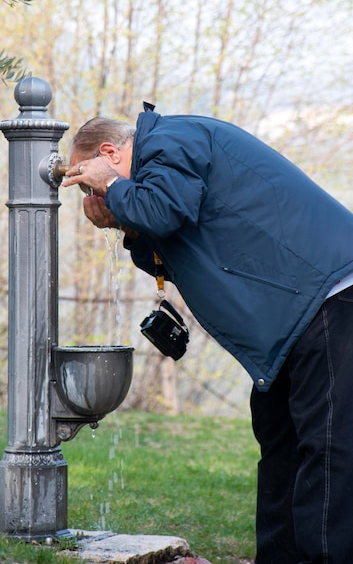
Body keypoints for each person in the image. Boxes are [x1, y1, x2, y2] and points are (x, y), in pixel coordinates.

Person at [62, 104, 353, 564]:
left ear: (108, 152)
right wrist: (121, 217)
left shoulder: (167, 141)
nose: (88, 189)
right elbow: (169, 243)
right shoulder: (162, 162)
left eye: (84, 176)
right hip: (295, 314)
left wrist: (113, 187)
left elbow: (163, 211)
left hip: (329, 295)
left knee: (329, 448)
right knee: (281, 444)